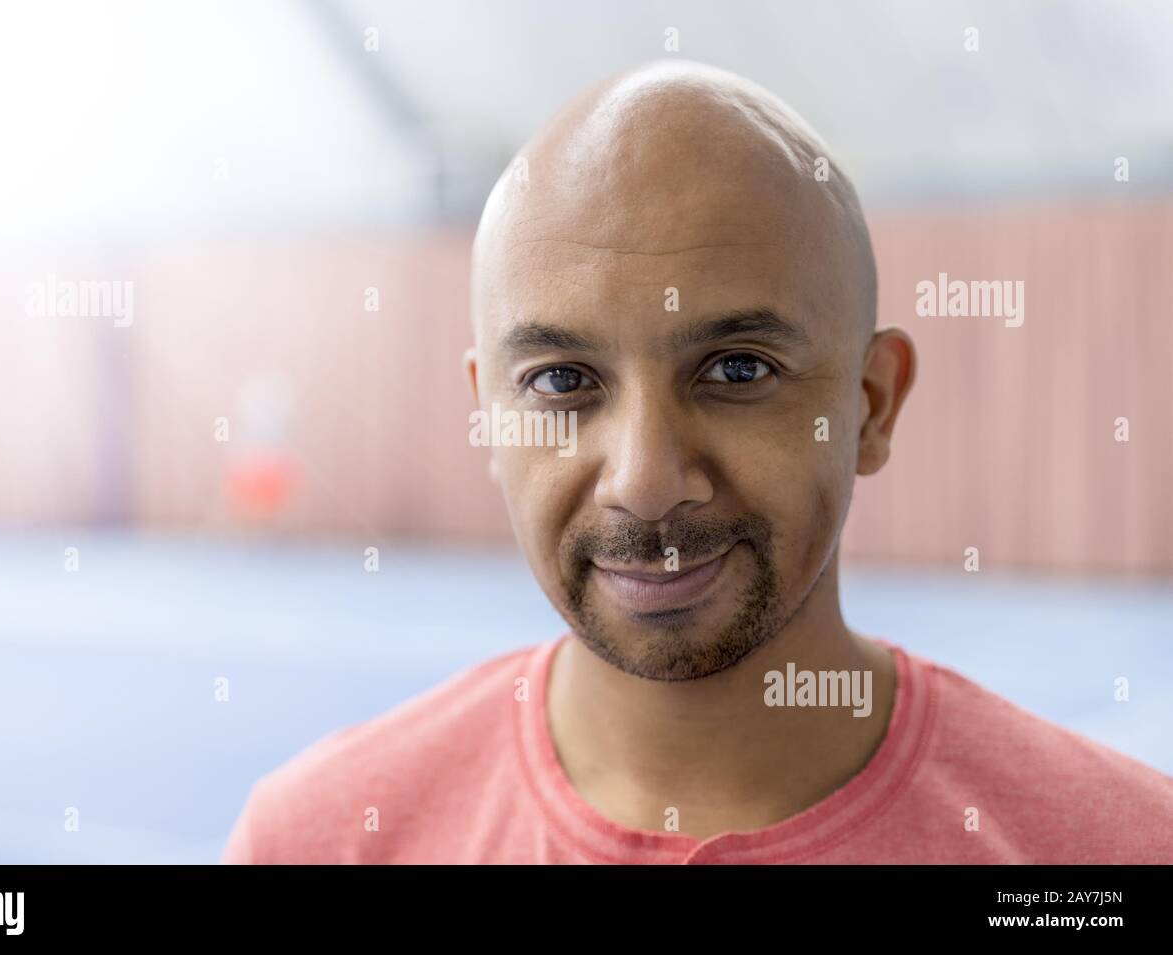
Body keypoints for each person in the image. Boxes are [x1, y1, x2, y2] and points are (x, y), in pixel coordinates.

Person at [222, 60, 1173, 864]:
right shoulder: (323, 842)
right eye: (561, 383)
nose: (644, 476)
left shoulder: (1109, 855)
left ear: (871, 404)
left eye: (737, 368)